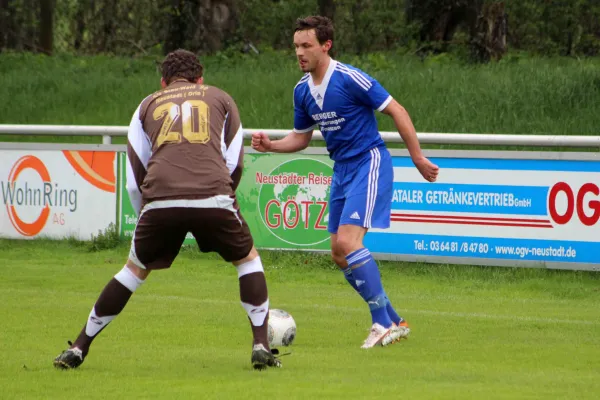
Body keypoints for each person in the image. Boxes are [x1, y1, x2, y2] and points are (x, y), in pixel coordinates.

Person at [54, 49, 281, 370]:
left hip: (160, 199)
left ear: (163, 83)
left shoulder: (147, 104)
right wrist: (220, 196)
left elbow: (135, 175)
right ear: (201, 80)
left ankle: (78, 347)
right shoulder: (222, 99)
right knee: (247, 260)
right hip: (213, 194)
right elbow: (233, 162)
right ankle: (261, 344)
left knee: (133, 270)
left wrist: (147, 213)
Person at [252, 16, 439, 349]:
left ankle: (381, 322)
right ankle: (395, 319)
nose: (299, 52)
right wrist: (271, 146)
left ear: (326, 46)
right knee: (339, 253)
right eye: (296, 46)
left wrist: (417, 157)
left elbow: (396, 109)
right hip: (341, 170)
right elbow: (301, 137)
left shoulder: (349, 78)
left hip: (369, 162)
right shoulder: (301, 91)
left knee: (351, 243)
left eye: (306, 45)